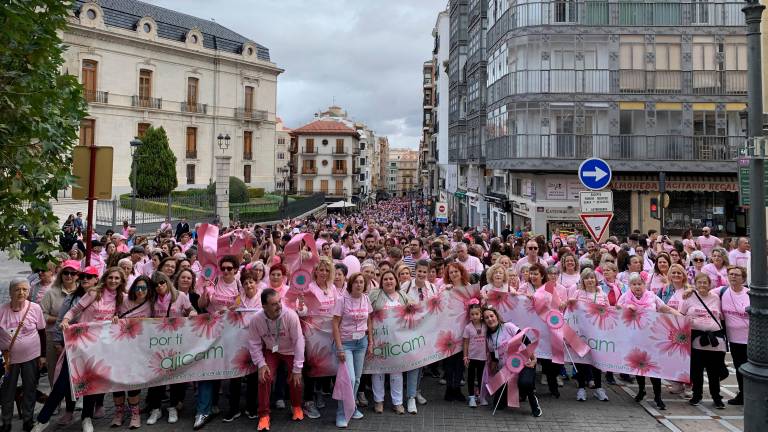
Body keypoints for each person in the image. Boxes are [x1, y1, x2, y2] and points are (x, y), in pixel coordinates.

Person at [61, 267, 127, 432]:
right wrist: (66, 320)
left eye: (117, 279)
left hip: (101, 345)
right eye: (110, 277)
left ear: (121, 281)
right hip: (82, 341)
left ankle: (86, 418)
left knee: (93, 382)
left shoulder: (120, 298)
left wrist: (117, 318)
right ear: (105, 278)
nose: (113, 281)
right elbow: (74, 310)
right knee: (73, 378)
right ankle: (61, 413)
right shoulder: (93, 293)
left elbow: (123, 317)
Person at [617, 273, 681, 411]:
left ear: (644, 284)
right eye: (634, 284)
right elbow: (617, 310)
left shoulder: (652, 296)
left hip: (652, 338)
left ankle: (658, 397)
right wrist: (626, 309)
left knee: (653, 368)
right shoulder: (625, 297)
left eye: (639, 284)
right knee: (639, 367)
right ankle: (641, 391)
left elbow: (665, 308)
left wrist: (681, 317)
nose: (637, 286)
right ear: (630, 286)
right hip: (634, 337)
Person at [194, 256, 241, 429]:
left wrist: (229, 310)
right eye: (224, 268)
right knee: (208, 369)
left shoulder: (240, 284)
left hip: (233, 333)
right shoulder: (213, 281)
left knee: (231, 371)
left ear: (236, 269)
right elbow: (201, 305)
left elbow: (242, 305)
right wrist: (205, 292)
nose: (226, 271)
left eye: (230, 268)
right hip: (211, 331)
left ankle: (232, 407)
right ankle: (203, 410)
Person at [248, 288, 305, 431]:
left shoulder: (290, 315)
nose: (279, 305)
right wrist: (261, 364)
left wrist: (297, 368)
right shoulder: (256, 319)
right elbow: (253, 343)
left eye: (279, 301)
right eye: (273, 304)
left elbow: (299, 341)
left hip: (290, 350)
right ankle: (264, 415)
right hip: (271, 350)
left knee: (296, 376)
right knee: (264, 376)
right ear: (264, 306)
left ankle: (296, 406)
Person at [146, 272, 196, 425]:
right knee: (157, 375)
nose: (159, 286)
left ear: (167, 281)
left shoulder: (180, 296)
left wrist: (193, 313)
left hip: (176, 341)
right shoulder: (150, 299)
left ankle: (173, 406)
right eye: (155, 285)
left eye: (162, 282)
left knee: (175, 375)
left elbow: (191, 310)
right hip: (157, 342)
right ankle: (156, 408)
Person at [0, 278, 46, 432]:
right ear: (10, 292)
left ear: (29, 292)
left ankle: (28, 419)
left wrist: (43, 355)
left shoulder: (35, 308)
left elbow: (41, 332)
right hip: (9, 359)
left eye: (25, 290)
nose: (21, 292)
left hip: (31, 356)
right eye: (17, 289)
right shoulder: (2, 310)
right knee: (7, 390)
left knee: (30, 387)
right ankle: (6, 422)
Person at [112, 275, 156, 429]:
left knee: (133, 380)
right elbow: (112, 315)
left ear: (148, 289)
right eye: (138, 287)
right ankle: (118, 413)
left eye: (144, 287)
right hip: (120, 345)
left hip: (139, 348)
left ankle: (135, 414)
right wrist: (115, 317)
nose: (141, 290)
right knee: (117, 381)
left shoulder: (151, 304)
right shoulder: (123, 300)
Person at [482, 306, 541, 417]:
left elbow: (526, 340)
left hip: (523, 363)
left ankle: (533, 401)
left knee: (525, 383)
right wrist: (493, 373)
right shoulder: (488, 338)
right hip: (506, 370)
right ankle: (520, 393)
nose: (490, 319)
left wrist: (534, 359)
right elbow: (494, 357)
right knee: (497, 405)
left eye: (491, 316)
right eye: (486, 318)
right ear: (484, 321)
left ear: (496, 316)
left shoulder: (508, 327)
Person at [332, 273, 374, 428]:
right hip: (346, 344)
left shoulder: (366, 298)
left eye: (362, 282)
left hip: (361, 343)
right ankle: (341, 413)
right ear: (351, 284)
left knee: (357, 379)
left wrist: (370, 342)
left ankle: (352, 407)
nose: (359, 284)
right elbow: (335, 324)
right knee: (348, 379)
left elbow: (369, 320)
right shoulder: (342, 300)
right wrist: (340, 347)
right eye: (356, 282)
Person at [680, 273, 726, 409]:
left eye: (705, 282)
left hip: (715, 341)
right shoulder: (689, 297)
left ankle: (716, 397)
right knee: (696, 371)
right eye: (699, 282)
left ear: (709, 284)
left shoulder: (716, 297)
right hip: (696, 340)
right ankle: (697, 395)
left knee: (714, 372)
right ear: (695, 283)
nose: (702, 285)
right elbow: (681, 316)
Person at [368, 271, 407, 414]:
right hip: (379, 340)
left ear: (396, 281)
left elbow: (415, 310)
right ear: (381, 282)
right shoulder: (374, 294)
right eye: (385, 279)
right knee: (378, 371)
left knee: (396, 371)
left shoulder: (402, 296)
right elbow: (367, 315)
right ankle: (379, 401)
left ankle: (398, 403)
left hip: (397, 341)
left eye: (391, 279)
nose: (389, 281)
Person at [569, 268, 609, 402]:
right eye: (587, 278)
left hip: (598, 333)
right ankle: (581, 388)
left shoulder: (602, 294)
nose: (590, 280)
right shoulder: (578, 292)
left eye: (592, 277)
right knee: (581, 360)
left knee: (596, 360)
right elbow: (570, 308)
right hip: (581, 332)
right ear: (583, 281)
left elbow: (609, 312)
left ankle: (599, 388)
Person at [717, 266, 749, 405]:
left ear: (743, 278)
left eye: (737, 274)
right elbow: (702, 292)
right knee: (739, 368)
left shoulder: (750, 293)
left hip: (751, 339)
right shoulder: (722, 291)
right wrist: (689, 291)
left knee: (752, 369)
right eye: (731, 274)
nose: (733, 277)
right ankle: (743, 394)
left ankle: (754, 394)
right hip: (734, 340)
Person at [462, 301, 486, 408]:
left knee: (481, 377)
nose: (474, 316)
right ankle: (471, 397)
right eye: (472, 314)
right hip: (472, 357)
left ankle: (481, 396)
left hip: (483, 357)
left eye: (477, 314)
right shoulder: (468, 328)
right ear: (469, 315)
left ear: (481, 314)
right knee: (471, 377)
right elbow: (465, 343)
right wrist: (465, 356)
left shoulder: (485, 326)